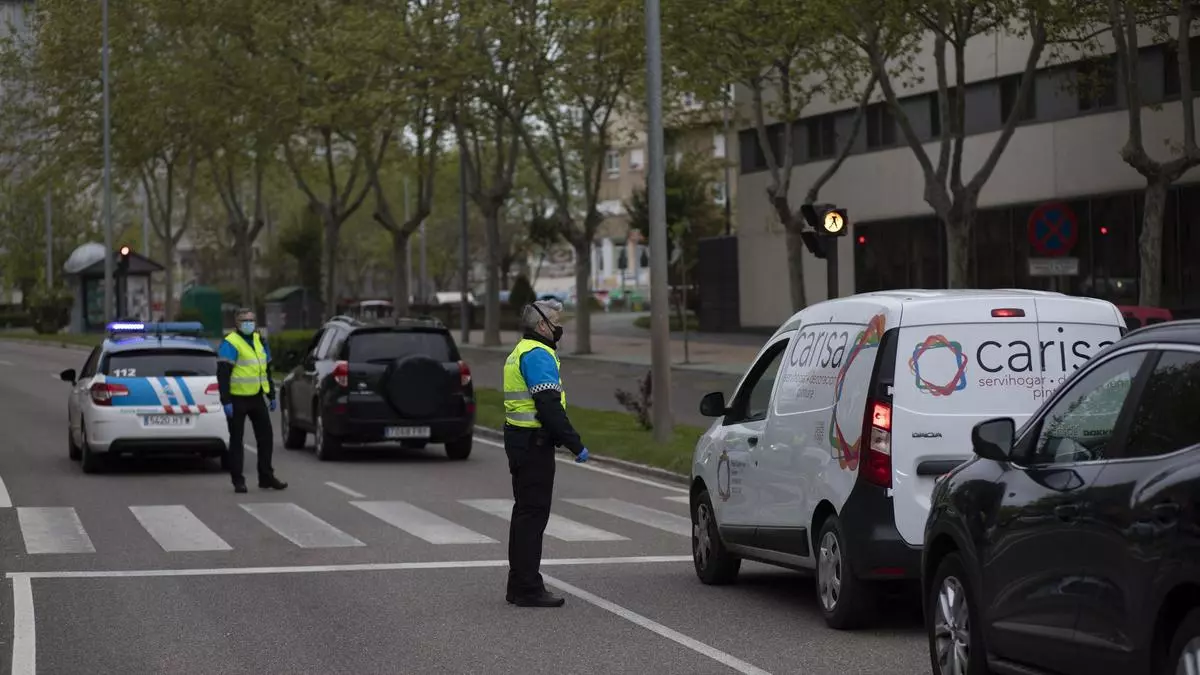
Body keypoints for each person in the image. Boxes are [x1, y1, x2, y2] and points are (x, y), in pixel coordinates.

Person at [502, 299, 589, 608]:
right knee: (532, 516)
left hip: (521, 441)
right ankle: (527, 588)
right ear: (542, 325)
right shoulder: (538, 354)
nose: (559, 327)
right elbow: (549, 405)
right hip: (533, 444)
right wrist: (575, 444)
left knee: (524, 514)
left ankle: (518, 585)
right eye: (555, 322)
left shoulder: (522, 350)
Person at [217, 308, 287, 494]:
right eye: (244, 320)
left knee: (266, 438)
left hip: (256, 397)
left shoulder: (260, 341)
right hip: (237, 398)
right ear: (237, 323)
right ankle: (238, 481)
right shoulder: (231, 343)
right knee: (236, 441)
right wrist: (226, 401)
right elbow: (223, 374)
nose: (248, 323)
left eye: (251, 320)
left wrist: (271, 395)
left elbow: (266, 370)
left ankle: (266, 477)